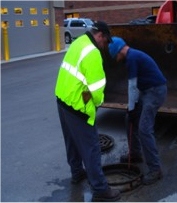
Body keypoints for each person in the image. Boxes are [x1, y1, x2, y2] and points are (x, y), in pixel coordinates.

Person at [54, 22, 121, 202]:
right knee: (91, 148)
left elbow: (76, 75)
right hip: (77, 107)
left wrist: (83, 94)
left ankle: (77, 173)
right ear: (99, 35)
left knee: (71, 141)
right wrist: (94, 103)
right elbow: (97, 92)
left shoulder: (79, 42)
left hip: (62, 98)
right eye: (105, 41)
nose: (105, 45)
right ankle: (100, 189)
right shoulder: (93, 54)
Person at [108, 37, 167, 185]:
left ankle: (155, 169)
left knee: (144, 129)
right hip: (147, 91)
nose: (116, 59)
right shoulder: (132, 55)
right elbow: (135, 87)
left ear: (119, 51)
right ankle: (135, 153)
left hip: (155, 92)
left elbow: (132, 86)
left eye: (115, 56)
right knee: (129, 119)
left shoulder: (132, 58)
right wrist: (131, 109)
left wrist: (132, 107)